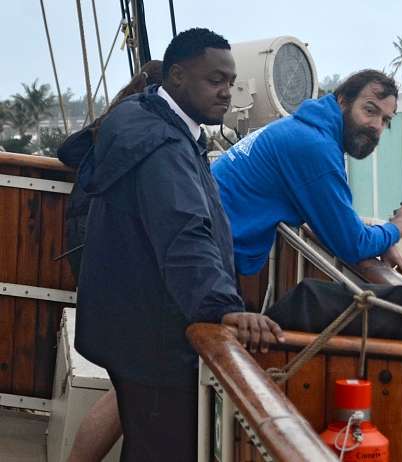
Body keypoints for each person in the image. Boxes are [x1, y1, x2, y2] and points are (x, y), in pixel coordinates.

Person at [73, 28, 283, 462]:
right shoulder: (162, 145)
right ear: (177, 76)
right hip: (154, 337)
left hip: (133, 324)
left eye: (230, 81)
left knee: (147, 444)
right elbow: (182, 233)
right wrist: (221, 306)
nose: (226, 92)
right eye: (214, 80)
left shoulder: (151, 121)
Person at [211, 70, 402, 279]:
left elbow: (337, 218)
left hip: (203, 245)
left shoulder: (303, 129)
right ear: (342, 101)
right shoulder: (315, 147)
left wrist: (384, 240)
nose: (377, 126)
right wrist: (399, 226)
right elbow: (353, 244)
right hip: (204, 260)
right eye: (369, 110)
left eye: (385, 120)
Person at [58, 60, 164, 279]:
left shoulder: (114, 119)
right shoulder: (153, 125)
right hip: (111, 228)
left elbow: (68, 151)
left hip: (82, 226)